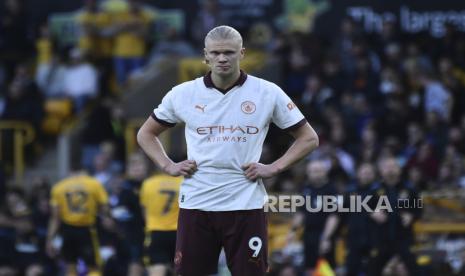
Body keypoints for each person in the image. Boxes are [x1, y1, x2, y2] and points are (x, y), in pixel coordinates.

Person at [137, 25, 319, 276]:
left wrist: (274, 167)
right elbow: (145, 133)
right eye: (217, 53)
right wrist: (168, 165)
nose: (223, 58)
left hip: (246, 204)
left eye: (229, 52)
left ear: (242, 53)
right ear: (205, 55)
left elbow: (309, 138)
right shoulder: (183, 94)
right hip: (197, 204)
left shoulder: (267, 92)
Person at [46, 168, 113, 276]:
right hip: (87, 230)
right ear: (84, 171)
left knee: (70, 267)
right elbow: (105, 206)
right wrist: (104, 216)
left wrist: (49, 239)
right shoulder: (94, 184)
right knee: (94, 267)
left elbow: (55, 218)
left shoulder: (58, 187)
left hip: (67, 230)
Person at [140, 173, 183, 276]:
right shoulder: (183, 182)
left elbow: (144, 211)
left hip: (156, 233)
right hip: (179, 234)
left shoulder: (148, 183)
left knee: (157, 269)